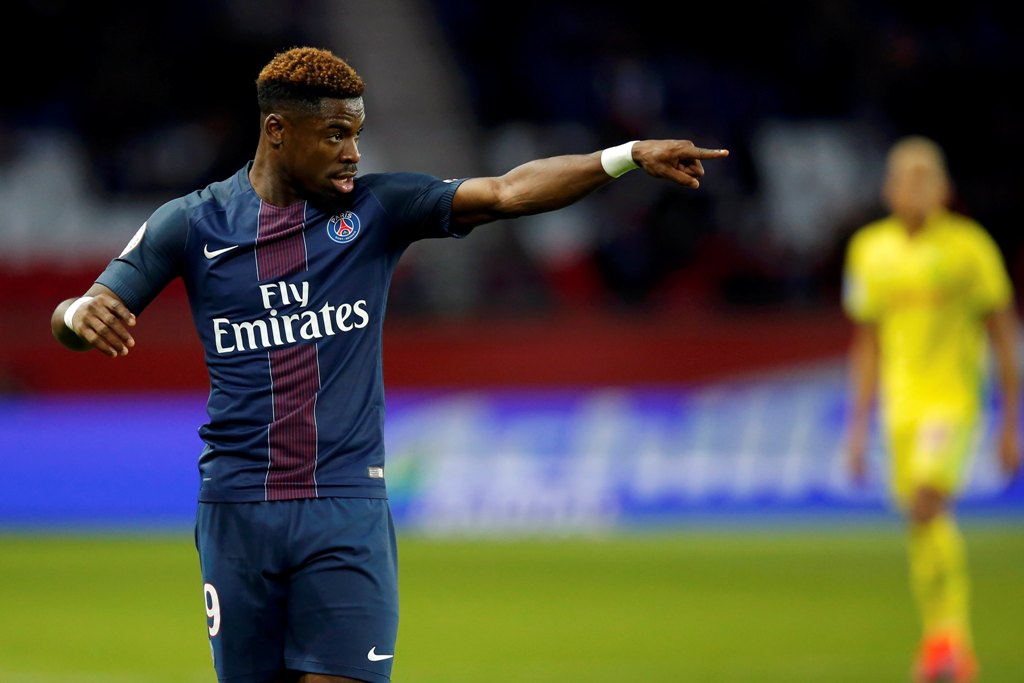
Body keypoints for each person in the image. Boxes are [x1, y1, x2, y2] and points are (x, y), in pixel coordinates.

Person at [49, 46, 728, 683]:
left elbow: (508, 191)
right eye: (336, 134)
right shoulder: (192, 224)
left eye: (357, 132)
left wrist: (625, 155)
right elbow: (88, 307)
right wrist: (78, 316)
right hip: (237, 511)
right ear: (278, 130)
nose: (354, 151)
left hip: (346, 510)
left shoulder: (377, 208)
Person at [841, 135, 1021, 683]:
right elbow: (867, 342)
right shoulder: (870, 250)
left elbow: (1002, 335)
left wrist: (1012, 422)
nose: (914, 187)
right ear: (889, 188)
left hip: (952, 404)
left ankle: (953, 645)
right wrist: (857, 425)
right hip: (901, 410)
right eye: (905, 177)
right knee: (922, 524)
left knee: (925, 501)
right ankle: (939, 639)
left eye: (925, 177)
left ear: (944, 188)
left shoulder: (970, 249)